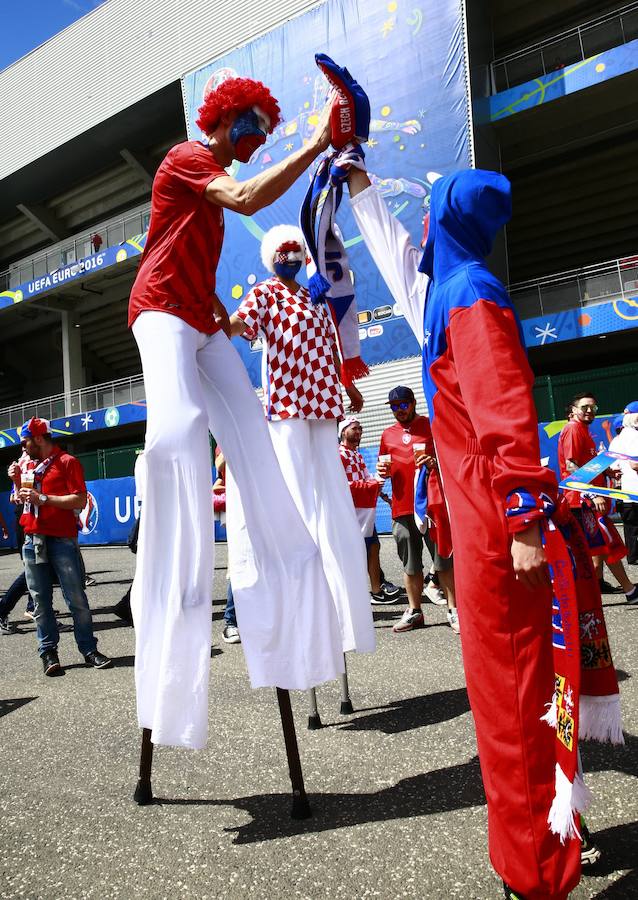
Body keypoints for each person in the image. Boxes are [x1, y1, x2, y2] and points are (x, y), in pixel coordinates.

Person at [346, 165, 598, 898]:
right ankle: (542, 841)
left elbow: (505, 409)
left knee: (516, 705)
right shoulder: (455, 294)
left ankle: (539, 874)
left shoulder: (469, 298)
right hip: (486, 528)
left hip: (498, 535)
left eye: (427, 217)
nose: (418, 231)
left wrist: (522, 518)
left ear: (443, 224)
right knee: (514, 699)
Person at [126, 77, 349, 751]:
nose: (255, 136)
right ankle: (176, 588)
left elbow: (193, 246)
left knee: (251, 432)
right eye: (250, 123)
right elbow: (247, 195)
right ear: (221, 119)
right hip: (159, 313)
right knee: (181, 432)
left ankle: (287, 588)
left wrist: (219, 312)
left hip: (199, 315)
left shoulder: (213, 189)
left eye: (264, 126)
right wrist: (315, 144)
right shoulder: (187, 159)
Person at [230, 224, 374, 661]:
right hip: (288, 403)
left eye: (296, 251)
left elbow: (331, 344)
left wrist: (346, 385)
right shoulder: (265, 294)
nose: (291, 257)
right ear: (272, 257)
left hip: (323, 398)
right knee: (296, 492)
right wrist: (215, 324)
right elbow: (240, 324)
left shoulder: (315, 294)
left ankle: (339, 584)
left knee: (329, 494)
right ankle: (298, 573)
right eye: (284, 252)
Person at [15, 417, 112, 675]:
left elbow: (79, 500)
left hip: (62, 539)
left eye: (25, 442)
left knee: (76, 598)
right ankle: (48, 653)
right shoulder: (28, 465)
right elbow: (20, 500)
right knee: (40, 601)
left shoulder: (67, 462)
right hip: (32, 539)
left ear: (38, 438)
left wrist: (43, 498)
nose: (23, 448)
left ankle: (88, 649)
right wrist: (16, 484)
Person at [377, 386, 455, 634]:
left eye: (403, 404)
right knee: (410, 565)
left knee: (443, 561)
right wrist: (383, 472)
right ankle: (415, 611)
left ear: (413, 403)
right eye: (394, 406)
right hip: (402, 508)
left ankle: (454, 610)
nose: (399, 410)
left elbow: (449, 459)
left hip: (431, 505)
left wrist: (434, 463)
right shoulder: (387, 434)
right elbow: (384, 466)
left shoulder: (431, 425)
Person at [558, 393, 637, 601]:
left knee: (601, 545)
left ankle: (597, 588)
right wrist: (593, 495)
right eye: (584, 407)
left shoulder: (583, 430)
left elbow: (587, 464)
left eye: (593, 407)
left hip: (587, 500)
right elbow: (571, 466)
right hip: (582, 501)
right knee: (606, 542)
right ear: (573, 410)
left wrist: (607, 473)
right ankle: (628, 590)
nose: (590, 411)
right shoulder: (573, 429)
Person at [337, 415, 400, 604]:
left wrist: (380, 484)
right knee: (357, 553)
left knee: (373, 547)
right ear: (343, 431)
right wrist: (373, 484)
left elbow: (367, 478)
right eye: (354, 428)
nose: (358, 431)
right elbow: (342, 485)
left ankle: (376, 590)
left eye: (360, 428)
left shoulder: (356, 454)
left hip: (365, 511)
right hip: (351, 512)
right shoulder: (338, 455)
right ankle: (355, 594)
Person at [609, 410, 638, 573]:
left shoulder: (616, 441)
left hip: (622, 490)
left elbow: (613, 466)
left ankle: (633, 555)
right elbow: (634, 464)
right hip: (632, 488)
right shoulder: (632, 437)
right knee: (632, 523)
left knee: (630, 525)